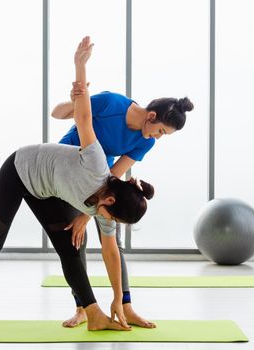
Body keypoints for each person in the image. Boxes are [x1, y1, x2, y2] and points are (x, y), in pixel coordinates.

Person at [0, 36, 154, 335]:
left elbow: (111, 253)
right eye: (114, 219)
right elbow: (83, 116)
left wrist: (118, 300)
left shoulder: (107, 210)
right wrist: (80, 66)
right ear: (108, 203)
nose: (110, 224)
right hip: (20, 170)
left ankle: (94, 315)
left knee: (70, 247)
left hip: (48, 190)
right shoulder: (96, 165)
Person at [51, 66, 194, 329]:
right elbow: (57, 113)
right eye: (161, 131)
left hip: (99, 178)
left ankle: (125, 306)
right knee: (74, 240)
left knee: (112, 240)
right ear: (151, 116)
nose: (157, 138)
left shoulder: (145, 141)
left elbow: (115, 173)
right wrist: (74, 100)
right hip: (68, 169)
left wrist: (88, 213)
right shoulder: (110, 103)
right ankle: (82, 307)